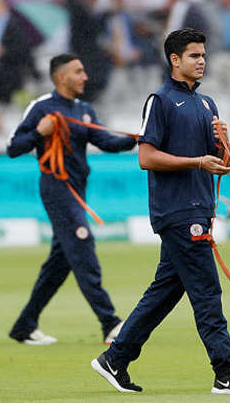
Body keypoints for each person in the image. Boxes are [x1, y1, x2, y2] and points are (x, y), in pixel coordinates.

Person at [91, 28, 230, 395]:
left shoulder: (207, 104)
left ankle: (115, 358)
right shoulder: (161, 101)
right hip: (177, 211)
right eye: (194, 56)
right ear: (174, 60)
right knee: (206, 291)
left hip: (200, 208)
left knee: (165, 292)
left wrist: (223, 146)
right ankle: (225, 371)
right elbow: (146, 157)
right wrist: (198, 162)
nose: (201, 61)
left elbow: (221, 163)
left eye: (203, 55)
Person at [7, 54, 136, 345]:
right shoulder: (41, 107)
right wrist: (39, 133)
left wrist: (137, 138)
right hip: (56, 187)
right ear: (61, 77)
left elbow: (106, 142)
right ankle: (110, 322)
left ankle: (24, 325)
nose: (85, 77)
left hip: (78, 190)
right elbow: (13, 147)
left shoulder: (85, 109)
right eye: (79, 71)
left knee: (60, 262)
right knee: (82, 243)